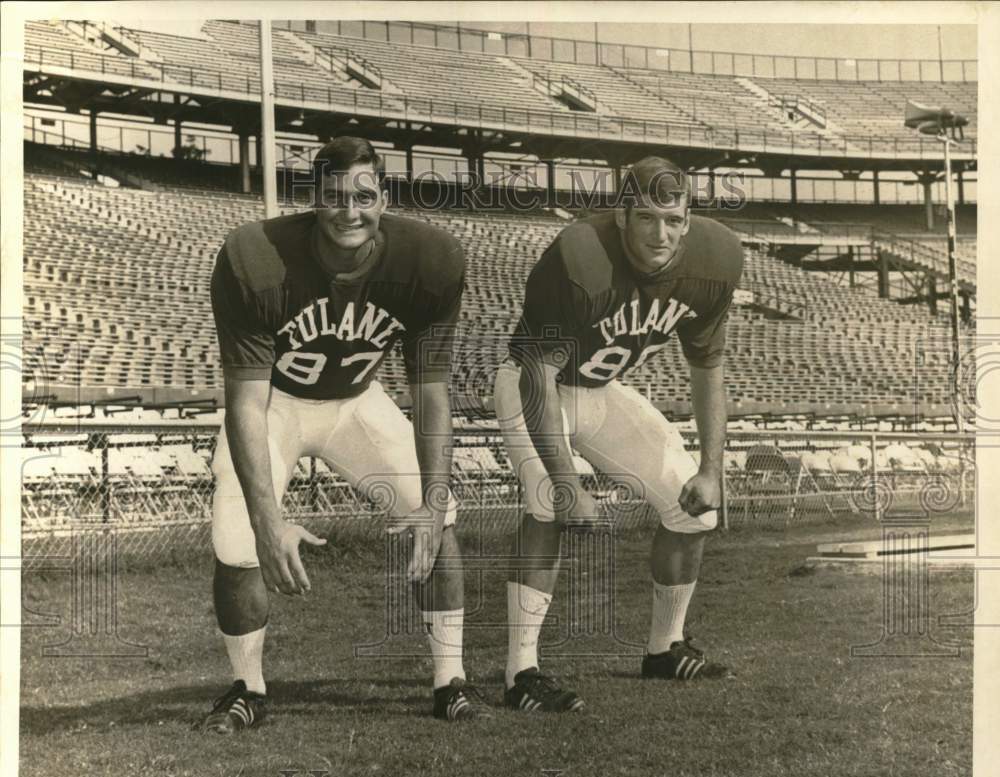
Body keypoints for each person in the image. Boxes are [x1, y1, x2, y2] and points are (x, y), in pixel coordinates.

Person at [204, 136, 480, 731]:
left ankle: (449, 680)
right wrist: (267, 520)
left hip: (358, 401)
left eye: (364, 195)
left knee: (435, 513)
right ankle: (247, 688)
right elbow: (247, 404)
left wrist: (432, 499)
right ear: (313, 199)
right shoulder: (256, 257)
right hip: (277, 403)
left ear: (384, 196)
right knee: (235, 534)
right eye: (334, 196)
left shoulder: (428, 261)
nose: (349, 211)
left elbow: (431, 393)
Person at [494, 156, 742, 712]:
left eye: (674, 220)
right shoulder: (582, 254)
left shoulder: (714, 258)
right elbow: (537, 372)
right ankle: (521, 673)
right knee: (547, 503)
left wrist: (712, 468)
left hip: (600, 390)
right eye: (648, 218)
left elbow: (708, 369)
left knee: (693, 506)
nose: (662, 234)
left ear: (688, 218)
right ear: (623, 213)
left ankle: (664, 648)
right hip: (534, 382)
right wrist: (566, 481)